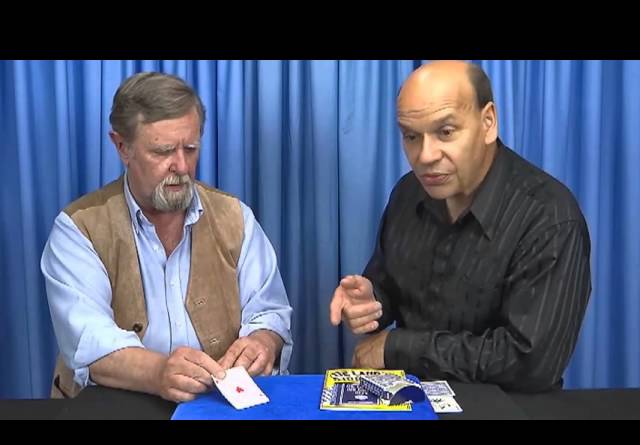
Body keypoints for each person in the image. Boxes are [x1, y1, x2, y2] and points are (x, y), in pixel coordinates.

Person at [329, 60, 591, 393]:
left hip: (505, 409)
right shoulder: (408, 193)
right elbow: (388, 288)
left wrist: (397, 347)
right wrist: (370, 302)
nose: (425, 156)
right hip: (410, 401)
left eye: (446, 132)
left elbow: (530, 362)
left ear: (488, 122)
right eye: (411, 136)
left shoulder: (549, 218)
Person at [42, 72, 293, 403]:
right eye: (162, 152)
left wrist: (263, 341)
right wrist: (158, 372)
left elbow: (270, 312)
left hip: (217, 406)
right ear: (122, 147)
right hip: (115, 406)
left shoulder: (235, 217)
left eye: (190, 149)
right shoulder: (78, 229)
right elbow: (88, 341)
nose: (182, 166)